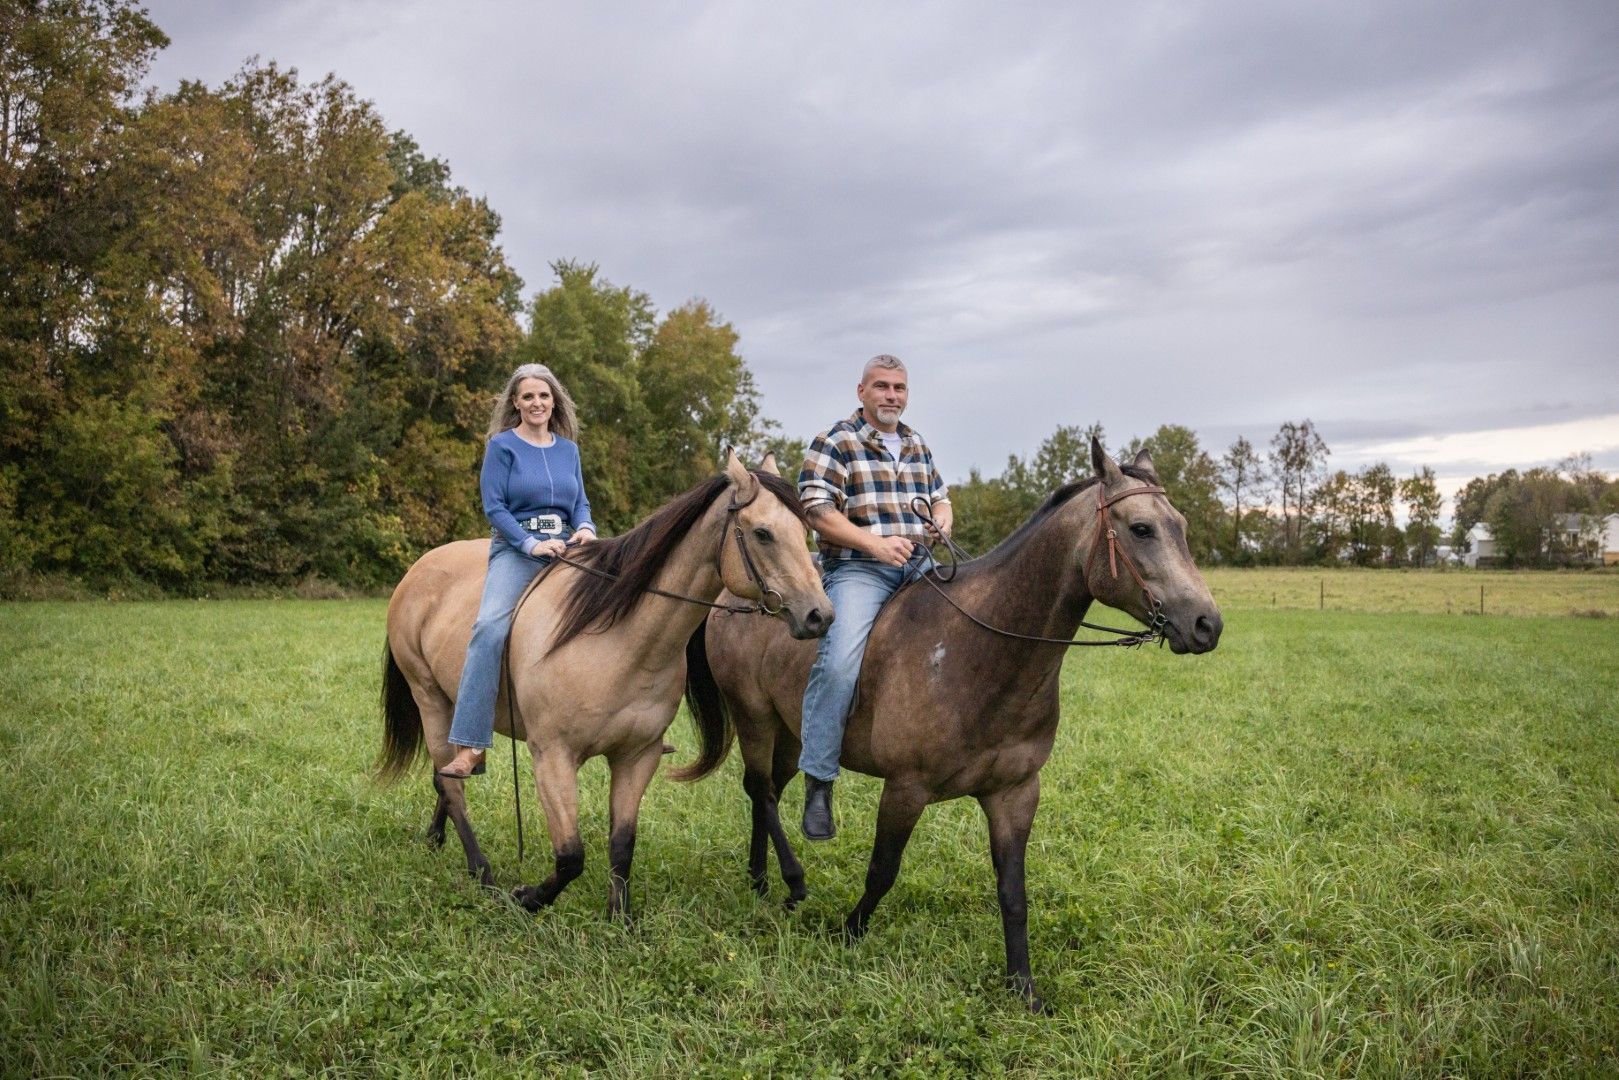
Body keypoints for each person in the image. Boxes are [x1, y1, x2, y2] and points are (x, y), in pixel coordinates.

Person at [795, 354, 951, 839]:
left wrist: (942, 520)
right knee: (840, 661)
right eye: (881, 386)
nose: (892, 396)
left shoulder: (915, 442)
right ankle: (819, 779)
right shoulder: (836, 440)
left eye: (899, 388)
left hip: (920, 563)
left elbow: (941, 495)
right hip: (860, 569)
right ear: (861, 391)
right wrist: (874, 544)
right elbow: (816, 510)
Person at [439, 363, 597, 779]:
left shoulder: (569, 450)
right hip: (518, 550)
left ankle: (624, 724)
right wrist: (531, 543)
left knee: (616, 609)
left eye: (543, 396)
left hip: (570, 548)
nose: (537, 403)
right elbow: (495, 508)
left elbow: (580, 501)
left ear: (554, 401)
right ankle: (471, 743)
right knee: (489, 629)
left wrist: (585, 528)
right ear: (515, 402)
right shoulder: (501, 447)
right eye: (528, 396)